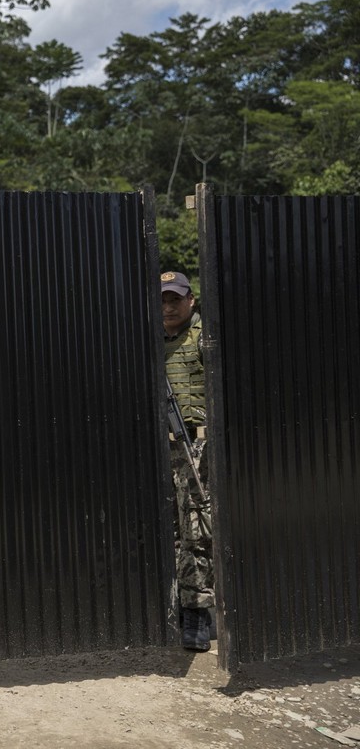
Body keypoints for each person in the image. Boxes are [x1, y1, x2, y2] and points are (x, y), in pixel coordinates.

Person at [161, 270, 214, 651]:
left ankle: (198, 612)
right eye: (162, 299)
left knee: (197, 531)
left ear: (190, 300)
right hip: (159, 450)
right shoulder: (147, 340)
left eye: (175, 299)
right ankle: (174, 608)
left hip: (197, 447)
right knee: (170, 533)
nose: (168, 306)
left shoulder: (205, 338)